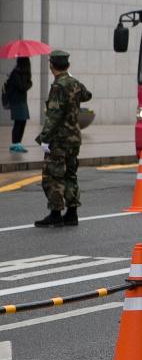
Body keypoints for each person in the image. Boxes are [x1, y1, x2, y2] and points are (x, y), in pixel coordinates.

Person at [33, 50, 91, 228]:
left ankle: (56, 213)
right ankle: (72, 214)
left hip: (60, 139)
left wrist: (44, 138)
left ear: (51, 66)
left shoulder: (58, 87)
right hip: (74, 138)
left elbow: (54, 116)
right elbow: (87, 95)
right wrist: (72, 79)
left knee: (53, 177)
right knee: (70, 175)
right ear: (68, 66)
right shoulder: (74, 83)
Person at [4, 57, 32, 153]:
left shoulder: (22, 73)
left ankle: (18, 143)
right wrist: (29, 82)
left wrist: (29, 81)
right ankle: (15, 144)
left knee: (22, 121)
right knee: (18, 122)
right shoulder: (16, 73)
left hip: (21, 101)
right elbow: (22, 87)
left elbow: (26, 85)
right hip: (16, 101)